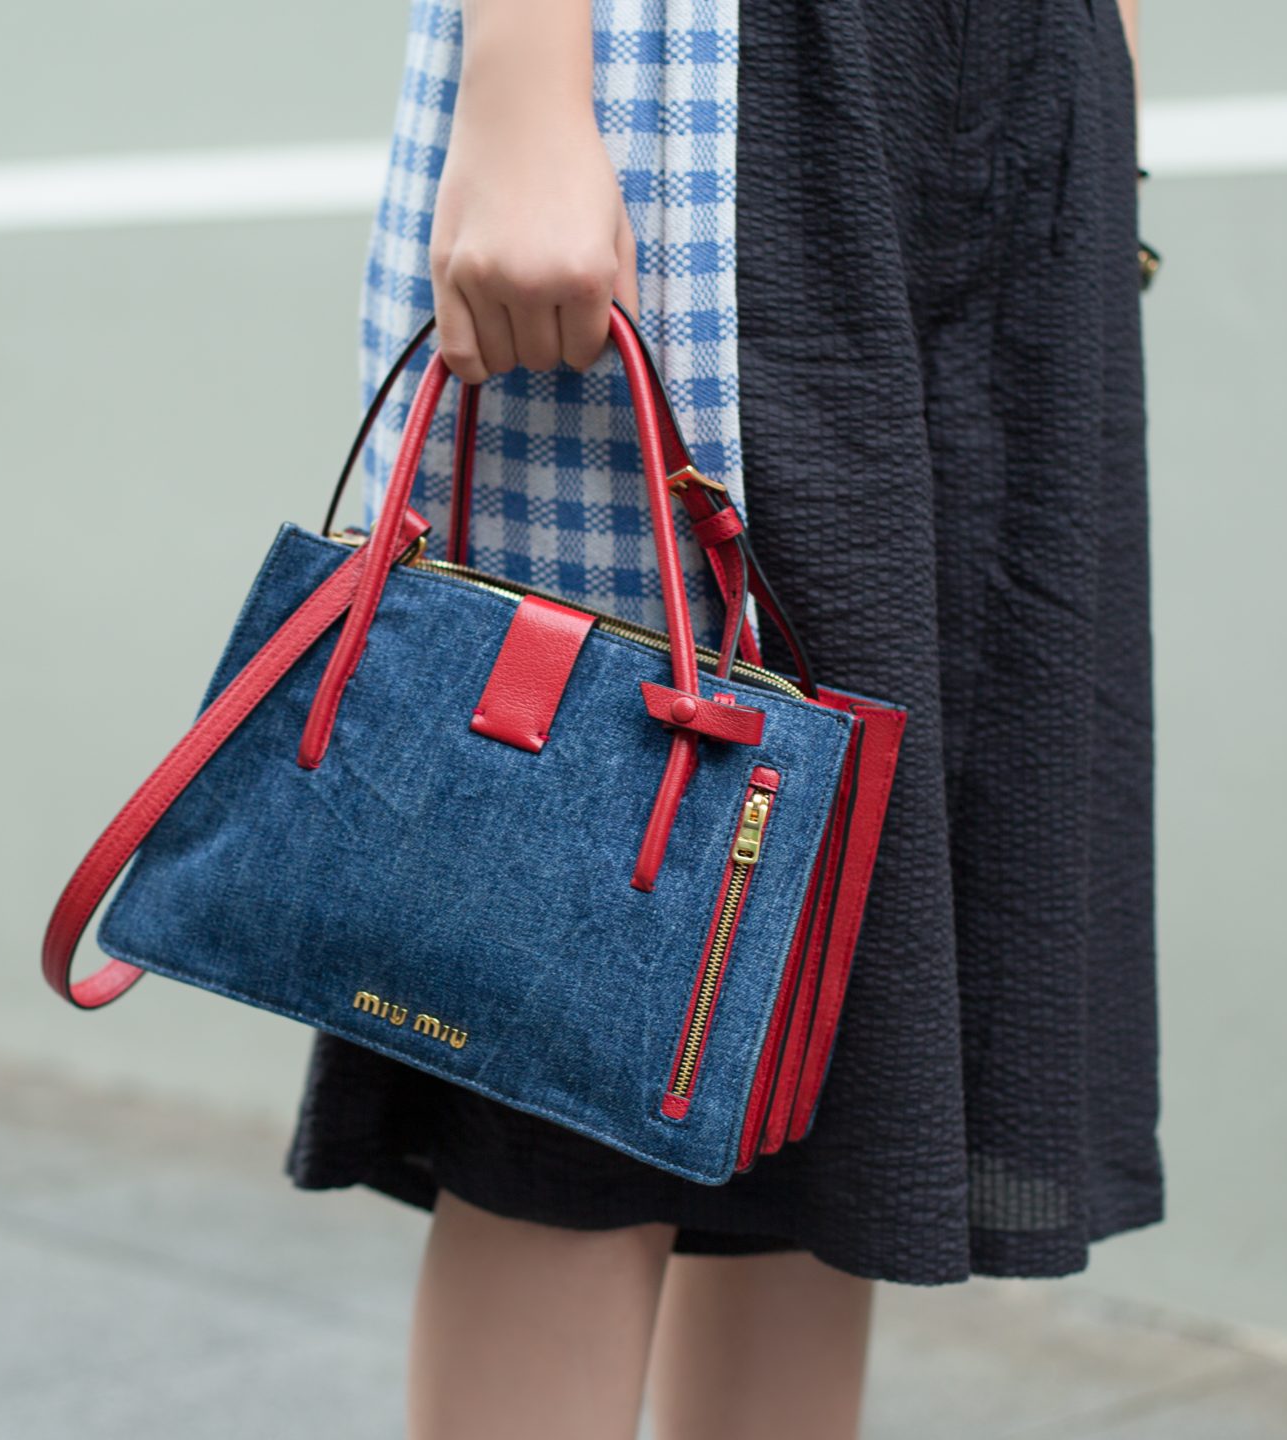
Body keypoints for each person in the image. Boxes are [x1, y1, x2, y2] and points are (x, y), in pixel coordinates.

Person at [288, 1, 1163, 1434]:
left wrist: (1108, 80)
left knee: (839, 994)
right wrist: (522, 93)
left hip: (1014, 87)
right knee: (588, 981)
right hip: (731, 75)